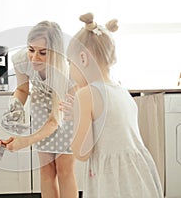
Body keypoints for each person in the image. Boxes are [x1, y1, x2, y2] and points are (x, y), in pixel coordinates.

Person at [60, 12, 163, 197]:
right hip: (140, 175)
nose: (69, 70)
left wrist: (73, 119)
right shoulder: (122, 91)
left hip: (113, 183)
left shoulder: (86, 95)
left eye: (70, 63)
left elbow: (82, 152)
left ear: (82, 59)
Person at [0, 21, 78, 198]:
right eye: (31, 49)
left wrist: (25, 141)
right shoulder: (21, 60)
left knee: (65, 169)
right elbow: (22, 90)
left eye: (43, 52)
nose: (34, 57)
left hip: (65, 110)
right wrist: (15, 107)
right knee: (46, 169)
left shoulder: (68, 72)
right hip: (40, 107)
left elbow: (55, 120)